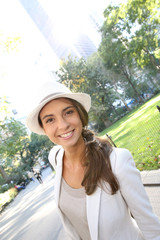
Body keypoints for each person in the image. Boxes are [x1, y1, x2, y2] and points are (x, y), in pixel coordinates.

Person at [26, 81, 160, 240]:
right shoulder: (55, 157)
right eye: (50, 120)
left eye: (68, 112)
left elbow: (151, 227)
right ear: (44, 129)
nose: (62, 125)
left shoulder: (117, 162)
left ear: (80, 114)